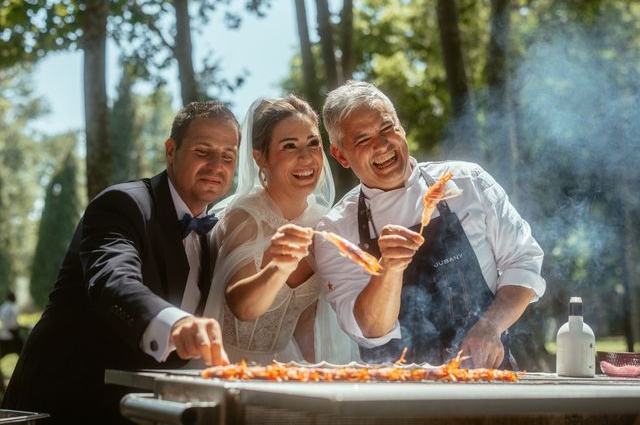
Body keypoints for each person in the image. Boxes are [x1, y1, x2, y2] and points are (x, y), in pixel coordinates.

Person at [2, 101, 239, 424]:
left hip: (143, 410)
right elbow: (113, 280)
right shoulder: (123, 204)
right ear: (171, 151)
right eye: (203, 150)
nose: (217, 164)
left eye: (228, 156)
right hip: (67, 401)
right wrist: (176, 323)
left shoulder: (214, 232)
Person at [315, 81, 546, 368]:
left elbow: (523, 262)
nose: (382, 144)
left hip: (488, 377)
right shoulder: (335, 231)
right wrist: (389, 269)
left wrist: (491, 325)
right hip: (399, 396)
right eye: (363, 140)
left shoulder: (468, 183)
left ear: (401, 126)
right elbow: (370, 330)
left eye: (388, 128)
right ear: (340, 155)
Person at [203, 95, 358, 364]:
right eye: (290, 146)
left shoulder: (324, 224)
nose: (306, 157)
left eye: (313, 143)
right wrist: (279, 266)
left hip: (286, 366)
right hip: (226, 365)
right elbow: (243, 308)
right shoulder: (244, 218)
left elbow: (305, 323)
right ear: (260, 158)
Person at [0, 291, 23, 358]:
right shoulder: (12, 308)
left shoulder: (2, 307)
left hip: (2, 334)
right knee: (22, 351)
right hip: (11, 334)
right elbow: (13, 324)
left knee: (2, 355)